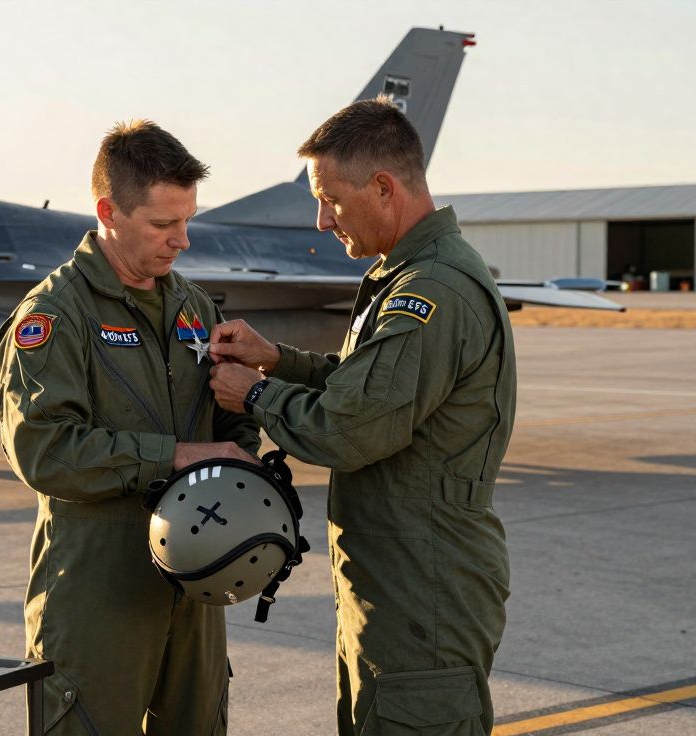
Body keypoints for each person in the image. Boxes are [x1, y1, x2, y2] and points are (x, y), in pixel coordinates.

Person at [208, 98, 516, 735]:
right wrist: (275, 360)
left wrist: (254, 396)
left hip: (422, 590)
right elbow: (367, 389)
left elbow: (350, 427)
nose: (321, 221)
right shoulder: (409, 277)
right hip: (395, 582)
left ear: (383, 188)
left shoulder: (432, 292)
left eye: (330, 200)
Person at [0, 119, 260, 735]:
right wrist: (177, 457)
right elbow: (44, 450)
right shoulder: (54, 316)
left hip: (196, 582)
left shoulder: (194, 307)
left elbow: (230, 422)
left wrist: (238, 465)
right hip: (97, 590)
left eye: (187, 221)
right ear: (108, 211)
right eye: (163, 225)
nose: (182, 241)